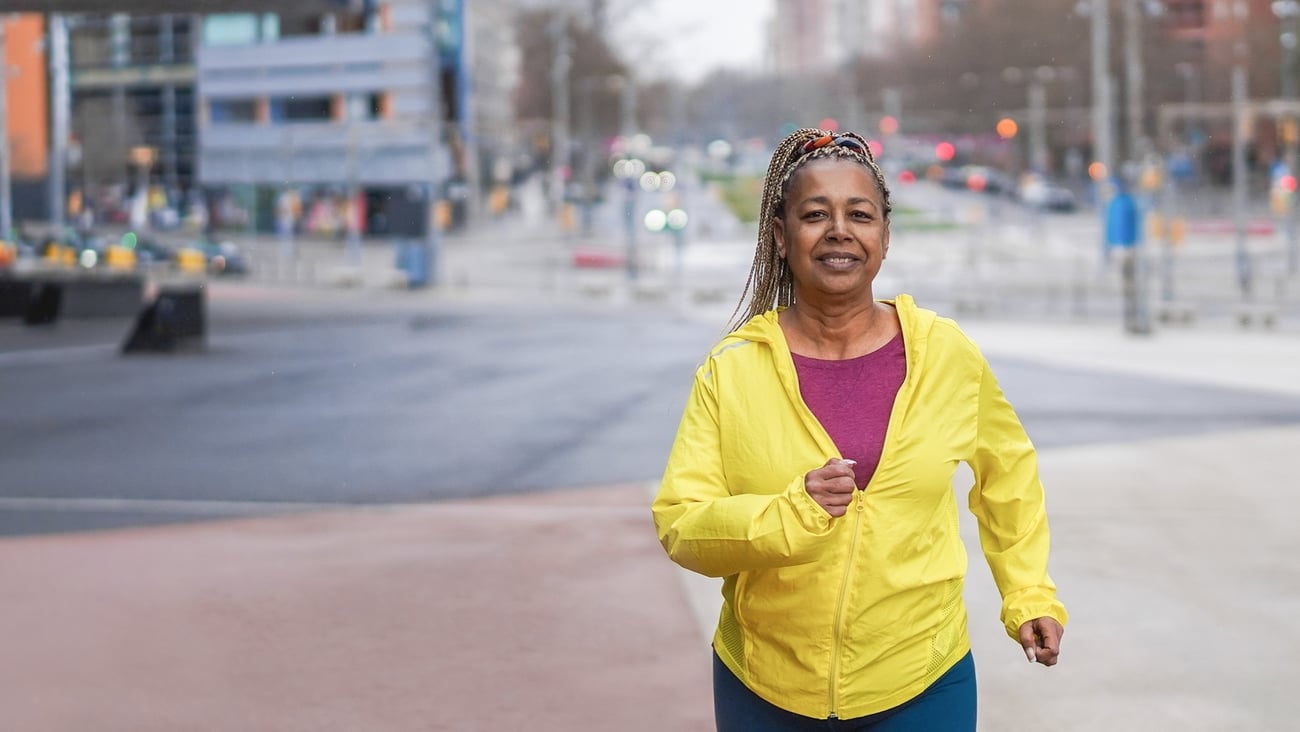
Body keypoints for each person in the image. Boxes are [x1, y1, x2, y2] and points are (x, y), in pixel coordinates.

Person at [651, 127, 1068, 731]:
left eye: (860, 214)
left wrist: (1028, 592)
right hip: (765, 685)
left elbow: (1009, 476)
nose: (839, 230)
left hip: (922, 679)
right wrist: (791, 514)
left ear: (885, 236)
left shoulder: (946, 355)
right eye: (815, 214)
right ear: (780, 235)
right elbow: (681, 523)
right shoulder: (732, 369)